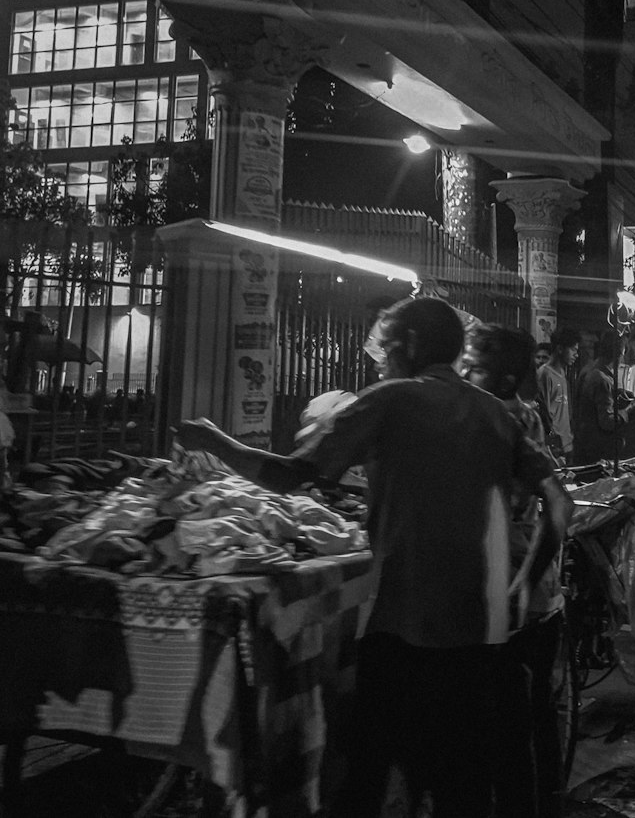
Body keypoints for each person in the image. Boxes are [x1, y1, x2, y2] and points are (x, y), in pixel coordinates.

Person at [176, 296, 571, 818]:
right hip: (478, 632)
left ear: (407, 346)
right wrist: (525, 582)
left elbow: (290, 475)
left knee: (366, 773)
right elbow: (559, 504)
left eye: (385, 349)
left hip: (401, 627)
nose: (381, 361)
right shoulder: (495, 414)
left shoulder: (389, 399)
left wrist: (215, 441)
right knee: (464, 783)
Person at [465, 323, 567, 818]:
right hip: (528, 584)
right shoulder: (516, 414)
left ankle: (533, 797)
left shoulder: (502, 419)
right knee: (532, 707)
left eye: (474, 367)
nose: (464, 373)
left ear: (504, 378)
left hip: (514, 582)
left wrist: (522, 579)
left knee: (511, 718)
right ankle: (549, 792)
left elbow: (555, 507)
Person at [572, 331, 632, 466]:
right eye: (623, 353)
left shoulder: (588, 368)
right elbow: (607, 422)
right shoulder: (601, 379)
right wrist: (628, 410)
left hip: (582, 445)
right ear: (619, 353)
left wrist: (617, 392)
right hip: (594, 453)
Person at [535, 327, 578, 464]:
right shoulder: (545, 374)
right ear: (560, 349)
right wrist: (551, 444)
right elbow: (543, 413)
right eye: (573, 350)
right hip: (554, 447)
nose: (576, 355)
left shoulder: (563, 373)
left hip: (567, 443)